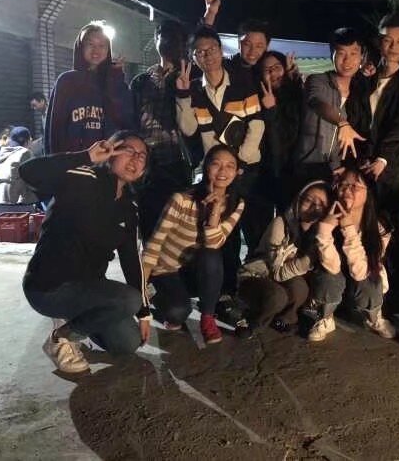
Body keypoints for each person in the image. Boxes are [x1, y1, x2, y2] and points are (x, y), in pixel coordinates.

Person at [20, 131, 151, 373]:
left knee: (127, 343)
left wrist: (145, 313)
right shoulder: (83, 178)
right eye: (128, 151)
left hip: (88, 290)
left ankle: (78, 322)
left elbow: (132, 260)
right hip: (49, 287)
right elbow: (28, 172)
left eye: (142, 156)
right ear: (111, 152)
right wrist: (86, 156)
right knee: (128, 299)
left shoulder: (129, 208)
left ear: (144, 170)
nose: (135, 158)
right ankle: (61, 337)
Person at [347, 14, 399, 317]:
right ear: (379, 42)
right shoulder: (365, 76)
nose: (392, 46)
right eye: (387, 39)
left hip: (393, 168)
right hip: (363, 162)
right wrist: (366, 157)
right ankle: (363, 295)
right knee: (363, 229)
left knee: (392, 233)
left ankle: (393, 297)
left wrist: (382, 158)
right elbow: (356, 117)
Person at [175, 25, 267, 272]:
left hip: (247, 168)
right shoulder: (194, 89)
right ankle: (227, 284)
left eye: (212, 49)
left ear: (220, 50)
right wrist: (182, 95)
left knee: (254, 227)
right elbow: (189, 129)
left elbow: (256, 125)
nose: (208, 55)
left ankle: (255, 281)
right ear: (193, 57)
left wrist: (240, 163)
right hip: (218, 174)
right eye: (200, 52)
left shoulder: (241, 82)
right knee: (223, 232)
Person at [142, 144, 245, 343]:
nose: (222, 171)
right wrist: (142, 294)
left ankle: (207, 317)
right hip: (167, 269)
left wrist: (214, 211)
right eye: (216, 164)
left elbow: (214, 243)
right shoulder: (182, 199)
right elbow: (154, 244)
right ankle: (159, 298)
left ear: (237, 172)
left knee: (212, 255)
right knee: (178, 313)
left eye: (230, 166)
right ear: (206, 167)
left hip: (197, 271)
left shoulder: (236, 203)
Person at [307, 167, 395, 342]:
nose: (347, 189)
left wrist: (348, 229)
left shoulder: (380, 227)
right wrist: (324, 231)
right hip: (334, 287)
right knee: (328, 276)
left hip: (359, 287)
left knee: (372, 280)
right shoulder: (325, 218)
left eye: (355, 186)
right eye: (343, 185)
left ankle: (373, 318)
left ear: (368, 193)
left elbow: (361, 273)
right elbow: (331, 267)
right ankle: (326, 317)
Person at [237, 181, 331, 332]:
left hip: (283, 278)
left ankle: (284, 319)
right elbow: (277, 273)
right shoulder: (280, 223)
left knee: (300, 288)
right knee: (276, 296)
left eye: (321, 205)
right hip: (256, 276)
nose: (314, 207)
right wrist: (307, 260)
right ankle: (252, 320)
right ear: (298, 200)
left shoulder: (320, 233)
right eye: (309, 200)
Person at [130, 19, 193, 240]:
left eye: (174, 38)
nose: (167, 41)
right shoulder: (140, 81)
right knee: (149, 226)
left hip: (178, 161)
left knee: (178, 230)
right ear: (155, 40)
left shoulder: (189, 77)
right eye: (162, 36)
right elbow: (131, 121)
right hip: (146, 163)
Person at [294, 27, 369, 186]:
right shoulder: (318, 80)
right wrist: (342, 123)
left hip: (337, 170)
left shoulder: (360, 90)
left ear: (362, 57)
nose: (347, 60)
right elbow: (316, 101)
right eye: (341, 53)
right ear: (332, 55)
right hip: (307, 164)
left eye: (353, 53)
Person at [45, 21, 132, 155]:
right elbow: (55, 129)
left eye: (102, 45)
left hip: (107, 161)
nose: (96, 50)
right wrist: (57, 163)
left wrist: (115, 77)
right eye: (90, 44)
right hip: (74, 162)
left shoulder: (114, 82)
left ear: (108, 50)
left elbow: (125, 120)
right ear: (81, 47)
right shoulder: (67, 81)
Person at [256, 50, 305, 211]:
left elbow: (288, 137)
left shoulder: (296, 96)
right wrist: (270, 109)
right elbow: (273, 143)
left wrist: (294, 77)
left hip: (294, 170)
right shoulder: (257, 99)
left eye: (277, 67)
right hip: (268, 173)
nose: (272, 73)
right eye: (267, 70)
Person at [0, 126, 38, 212]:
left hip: (0, 200)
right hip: (18, 201)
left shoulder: (2, 153)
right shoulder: (25, 152)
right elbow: (34, 176)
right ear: (27, 141)